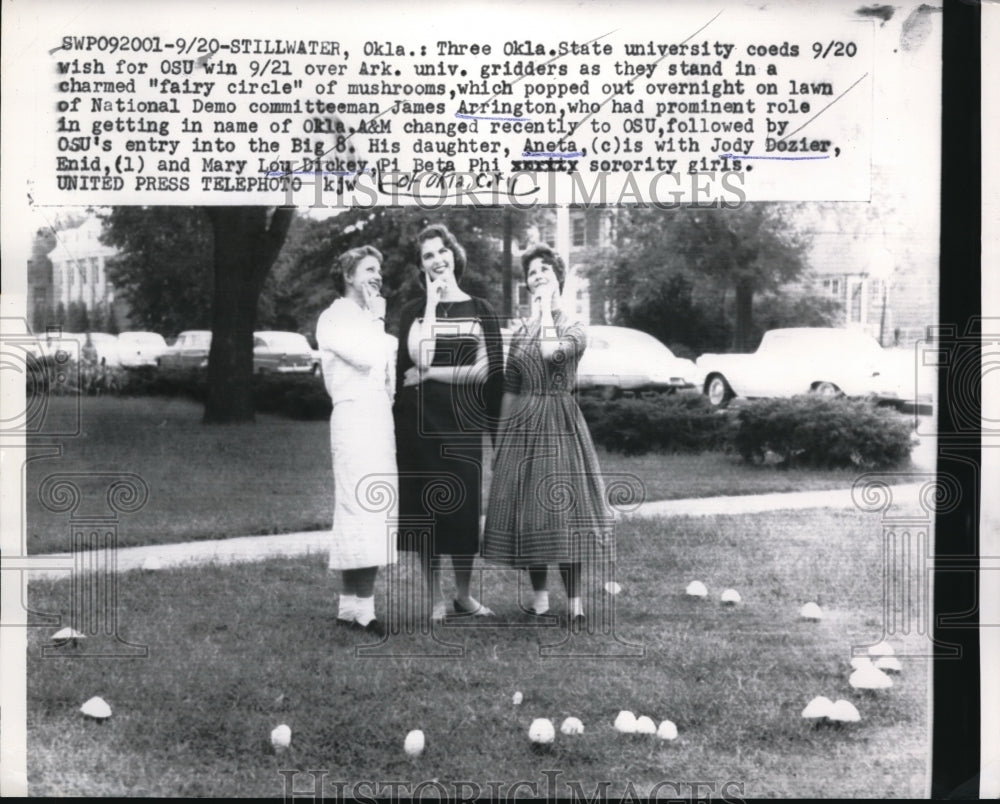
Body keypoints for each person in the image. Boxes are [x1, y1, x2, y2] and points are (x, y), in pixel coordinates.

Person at [483, 244, 614, 627]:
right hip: (523, 422)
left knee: (564, 512)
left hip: (558, 419)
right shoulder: (520, 332)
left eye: (545, 270)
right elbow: (510, 385)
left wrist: (543, 313)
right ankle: (539, 598)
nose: (537, 276)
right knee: (530, 511)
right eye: (532, 273)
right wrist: (502, 438)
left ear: (558, 276)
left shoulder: (574, 326)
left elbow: (552, 353)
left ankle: (575, 602)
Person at [394, 223, 505, 623]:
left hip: (462, 421)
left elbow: (486, 374)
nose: (437, 260)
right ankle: (434, 598)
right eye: (427, 256)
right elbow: (416, 359)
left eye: (441, 251)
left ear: (453, 253)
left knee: (462, 507)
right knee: (427, 509)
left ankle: (463, 595)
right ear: (421, 266)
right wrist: (430, 302)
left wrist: (432, 375)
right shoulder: (412, 311)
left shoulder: (481, 310)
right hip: (420, 422)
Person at [316, 245, 398, 636]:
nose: (376, 275)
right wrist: (378, 320)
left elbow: (388, 378)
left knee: (372, 506)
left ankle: (350, 607)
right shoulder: (334, 317)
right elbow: (368, 357)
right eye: (369, 268)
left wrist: (377, 323)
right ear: (348, 275)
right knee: (360, 506)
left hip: (377, 417)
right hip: (353, 418)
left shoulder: (367, 318)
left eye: (379, 269)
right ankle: (364, 608)